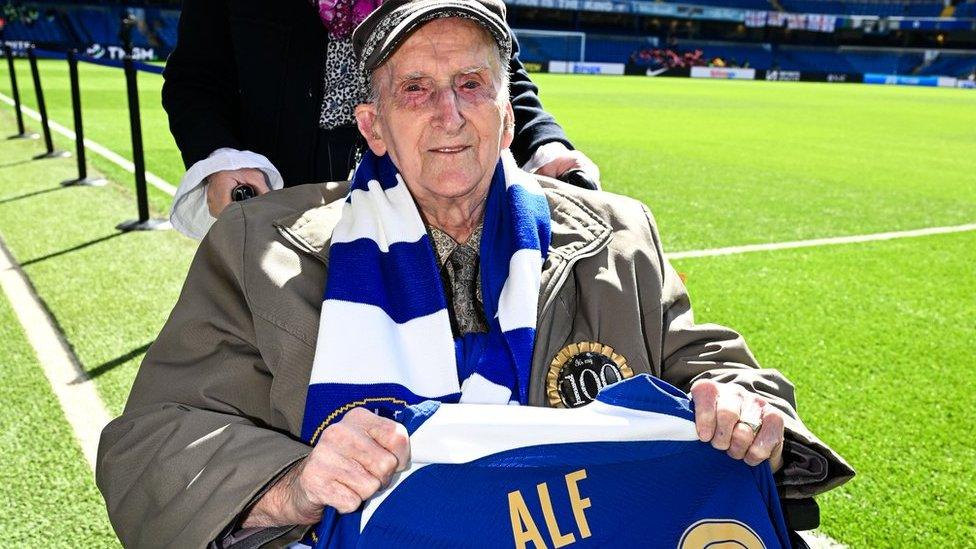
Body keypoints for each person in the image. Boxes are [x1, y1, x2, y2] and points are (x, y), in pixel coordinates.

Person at [97, 0, 853, 546]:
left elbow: (716, 366)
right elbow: (148, 447)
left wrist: (747, 408)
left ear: (508, 113)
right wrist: (292, 483)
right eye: (415, 90)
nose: (449, 115)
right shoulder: (263, 252)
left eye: (471, 84)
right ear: (373, 126)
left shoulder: (615, 236)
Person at [162, 0, 600, 240]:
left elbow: (494, 67)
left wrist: (546, 146)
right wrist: (220, 158)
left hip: (415, 192)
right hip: (280, 195)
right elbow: (196, 79)